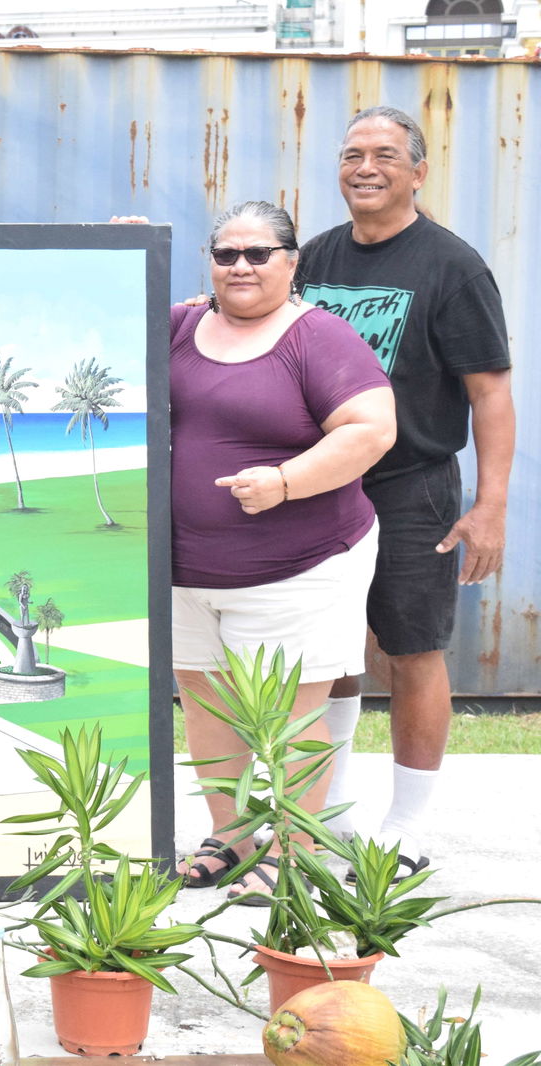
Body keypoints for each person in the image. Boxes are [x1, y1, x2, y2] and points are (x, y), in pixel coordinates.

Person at [297, 107, 513, 876]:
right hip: (319, 487)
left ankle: (409, 826)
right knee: (326, 651)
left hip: (410, 487)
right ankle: (332, 812)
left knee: (413, 650)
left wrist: (490, 507)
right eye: (352, 153)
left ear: (418, 172)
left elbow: (490, 393)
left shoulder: (453, 266)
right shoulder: (314, 256)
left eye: (386, 155)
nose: (366, 167)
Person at [170, 200, 395, 903]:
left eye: (258, 254)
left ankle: (297, 850)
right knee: (205, 705)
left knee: (292, 720)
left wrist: (287, 481)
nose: (240, 266)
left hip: (298, 566)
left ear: (292, 264)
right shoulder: (177, 326)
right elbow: (101, 332)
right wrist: (117, 257)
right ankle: (231, 836)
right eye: (226, 254)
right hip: (185, 571)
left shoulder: (317, 337)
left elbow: (372, 428)